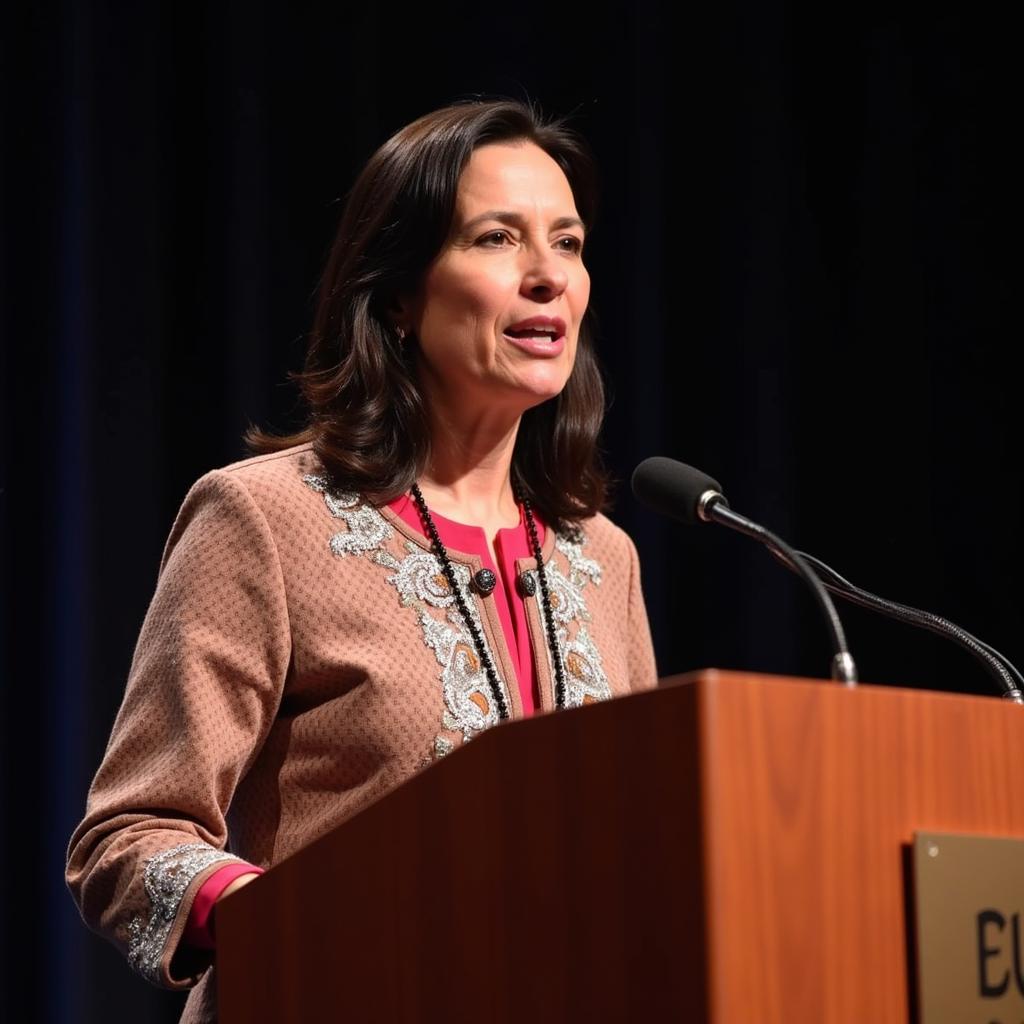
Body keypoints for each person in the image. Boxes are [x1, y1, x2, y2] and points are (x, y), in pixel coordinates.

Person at [66, 98, 658, 1023]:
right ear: (396, 293)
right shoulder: (264, 516)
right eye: (499, 239)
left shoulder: (603, 559)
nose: (549, 277)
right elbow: (128, 840)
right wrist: (299, 915)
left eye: (570, 243)